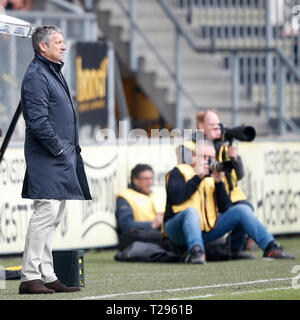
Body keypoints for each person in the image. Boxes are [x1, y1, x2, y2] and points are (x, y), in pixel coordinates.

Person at [19, 25, 92, 294]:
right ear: (43, 47)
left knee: (55, 214)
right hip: (48, 155)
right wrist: (59, 150)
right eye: (59, 42)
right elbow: (37, 121)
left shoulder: (50, 71)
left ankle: (46, 275)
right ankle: (29, 276)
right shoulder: (37, 75)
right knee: (46, 211)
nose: (64, 46)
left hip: (59, 154)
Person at [163, 140, 294, 264]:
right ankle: (196, 252)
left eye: (211, 158)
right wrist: (199, 177)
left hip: (206, 230)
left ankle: (271, 247)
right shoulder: (179, 171)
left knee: (242, 210)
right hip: (177, 230)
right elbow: (176, 198)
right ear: (193, 156)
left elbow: (226, 209)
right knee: (191, 212)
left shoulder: (213, 177)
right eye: (204, 157)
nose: (208, 161)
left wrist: (219, 183)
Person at [116, 164, 164, 233]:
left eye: (151, 178)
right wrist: (153, 224)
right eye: (146, 179)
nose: (150, 182)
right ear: (135, 180)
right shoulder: (126, 197)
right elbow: (126, 225)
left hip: (163, 237)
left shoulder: (156, 196)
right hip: (142, 238)